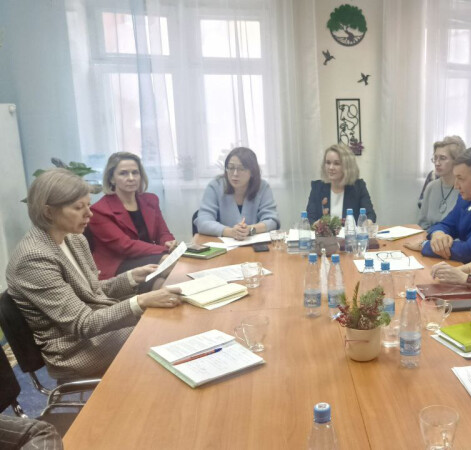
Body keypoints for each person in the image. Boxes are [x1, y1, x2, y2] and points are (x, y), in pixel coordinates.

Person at [6, 169, 181, 380]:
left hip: (94, 331)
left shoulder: (74, 238)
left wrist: (131, 277)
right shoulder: (33, 259)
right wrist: (141, 301)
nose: (89, 214)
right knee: (159, 330)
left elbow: (91, 291)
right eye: (78, 207)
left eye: (88, 205)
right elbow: (83, 324)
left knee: (166, 322)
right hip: (74, 349)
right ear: (49, 212)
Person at [404, 146, 471, 263]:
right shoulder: (469, 196)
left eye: (460, 178)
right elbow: (446, 224)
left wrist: (425, 245)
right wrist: (438, 235)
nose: (456, 186)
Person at [88, 152, 176, 280]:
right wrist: (163, 249)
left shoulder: (150, 200)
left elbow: (163, 232)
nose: (131, 178)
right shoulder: (99, 210)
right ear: (112, 178)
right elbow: (125, 246)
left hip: (149, 256)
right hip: (119, 264)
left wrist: (168, 242)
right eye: (123, 173)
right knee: (168, 263)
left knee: (177, 264)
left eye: (135, 173)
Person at [195, 147, 280, 239]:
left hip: (254, 245)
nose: (235, 173)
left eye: (241, 169)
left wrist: (250, 230)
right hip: (221, 245)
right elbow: (203, 222)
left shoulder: (262, 187)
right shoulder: (215, 186)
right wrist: (230, 232)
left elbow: (272, 221)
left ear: (252, 171)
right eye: (231, 168)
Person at [306, 144, 376, 224]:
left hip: (351, 232)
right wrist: (315, 224)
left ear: (347, 167)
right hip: (324, 232)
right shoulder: (317, 187)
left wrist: (368, 222)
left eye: (336, 163)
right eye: (328, 163)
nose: (331, 167)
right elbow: (309, 217)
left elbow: (370, 215)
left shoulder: (358, 187)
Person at [418, 136, 466, 231]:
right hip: (429, 237)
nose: (437, 163)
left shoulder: (465, 189)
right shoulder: (431, 187)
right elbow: (422, 223)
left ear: (456, 161)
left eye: (442, 158)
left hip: (452, 239)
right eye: (435, 158)